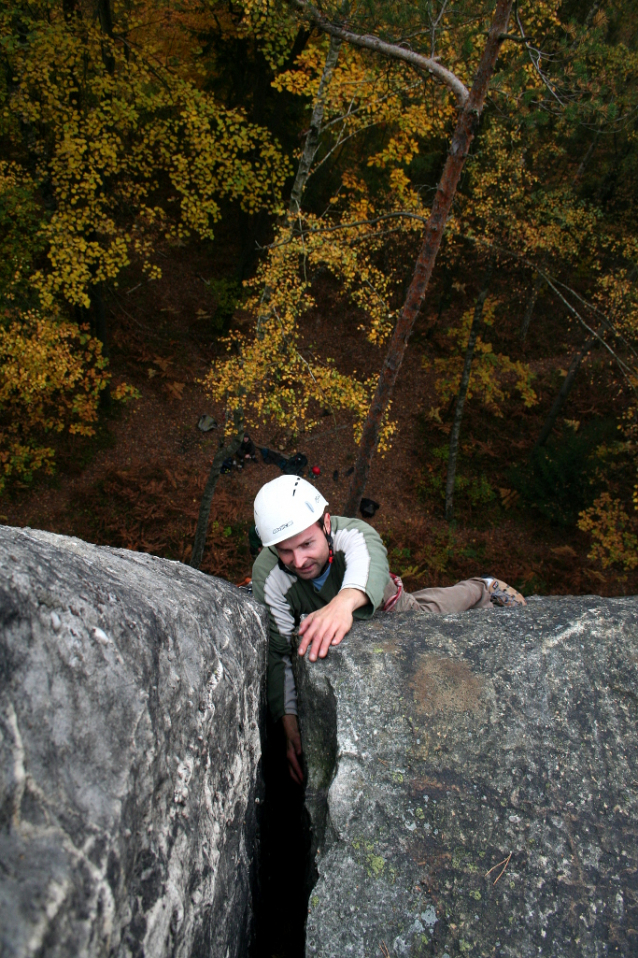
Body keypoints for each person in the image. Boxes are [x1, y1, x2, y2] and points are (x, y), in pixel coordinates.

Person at [251, 475, 525, 783]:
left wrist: (342, 605)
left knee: (428, 614)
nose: (299, 560)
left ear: (326, 524)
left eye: (306, 544)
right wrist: (288, 721)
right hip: (344, 607)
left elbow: (369, 559)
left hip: (385, 603)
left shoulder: (352, 533)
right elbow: (279, 652)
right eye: (286, 551)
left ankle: (481, 588)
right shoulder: (268, 572)